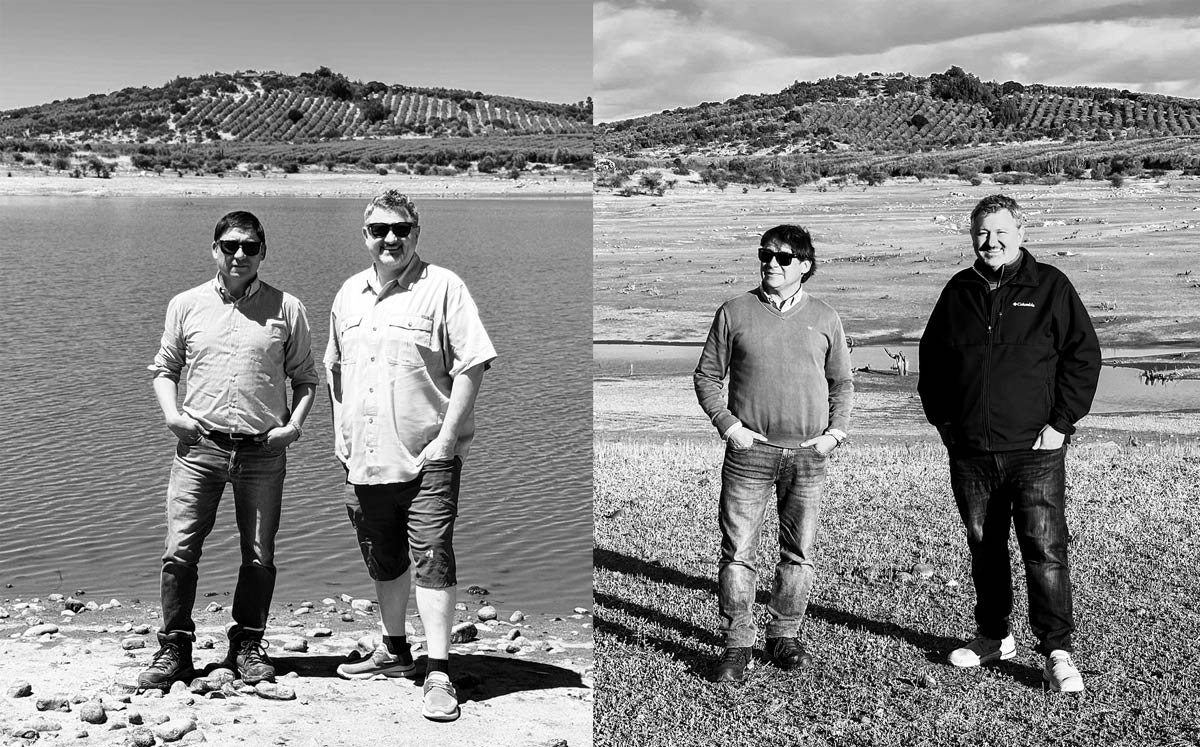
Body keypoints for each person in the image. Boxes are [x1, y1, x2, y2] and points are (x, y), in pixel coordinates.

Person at [918, 194, 1101, 693]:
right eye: (981, 232)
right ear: (971, 235)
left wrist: (1061, 423)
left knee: (1044, 548)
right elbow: (931, 363)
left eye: (1001, 232)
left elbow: (1083, 358)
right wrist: (946, 426)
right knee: (985, 546)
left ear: (1021, 233)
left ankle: (1056, 651)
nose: (990, 242)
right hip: (972, 450)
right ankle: (993, 636)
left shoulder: (1050, 287)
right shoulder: (959, 291)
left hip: (1035, 449)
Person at [326, 190, 496, 722]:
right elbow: (334, 370)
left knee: (432, 555)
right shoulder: (348, 294)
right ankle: (395, 650)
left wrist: (447, 439)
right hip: (364, 458)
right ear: (365, 235)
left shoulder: (444, 287)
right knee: (384, 557)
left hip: (428, 455)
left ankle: (438, 670)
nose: (390, 239)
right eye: (379, 230)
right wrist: (340, 435)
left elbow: (472, 365)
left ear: (416, 233)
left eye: (401, 229)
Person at [142, 211, 319, 690]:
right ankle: (175, 648)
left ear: (264, 251)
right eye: (229, 245)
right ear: (214, 249)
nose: (239, 254)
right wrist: (172, 415)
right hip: (199, 447)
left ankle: (247, 644)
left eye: (250, 246)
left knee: (259, 554)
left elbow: (306, 380)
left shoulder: (289, 308)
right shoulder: (185, 305)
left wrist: (294, 428)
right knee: (179, 551)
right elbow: (164, 368)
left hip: (263, 452)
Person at [694, 224, 853, 683]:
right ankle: (737, 644)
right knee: (738, 553)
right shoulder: (734, 312)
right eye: (766, 254)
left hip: (808, 455)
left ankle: (784, 636)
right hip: (750, 453)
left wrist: (834, 434)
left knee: (798, 553)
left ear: (805, 265)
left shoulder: (825, 318)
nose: (772, 263)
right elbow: (707, 377)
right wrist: (730, 427)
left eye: (784, 257)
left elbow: (842, 383)